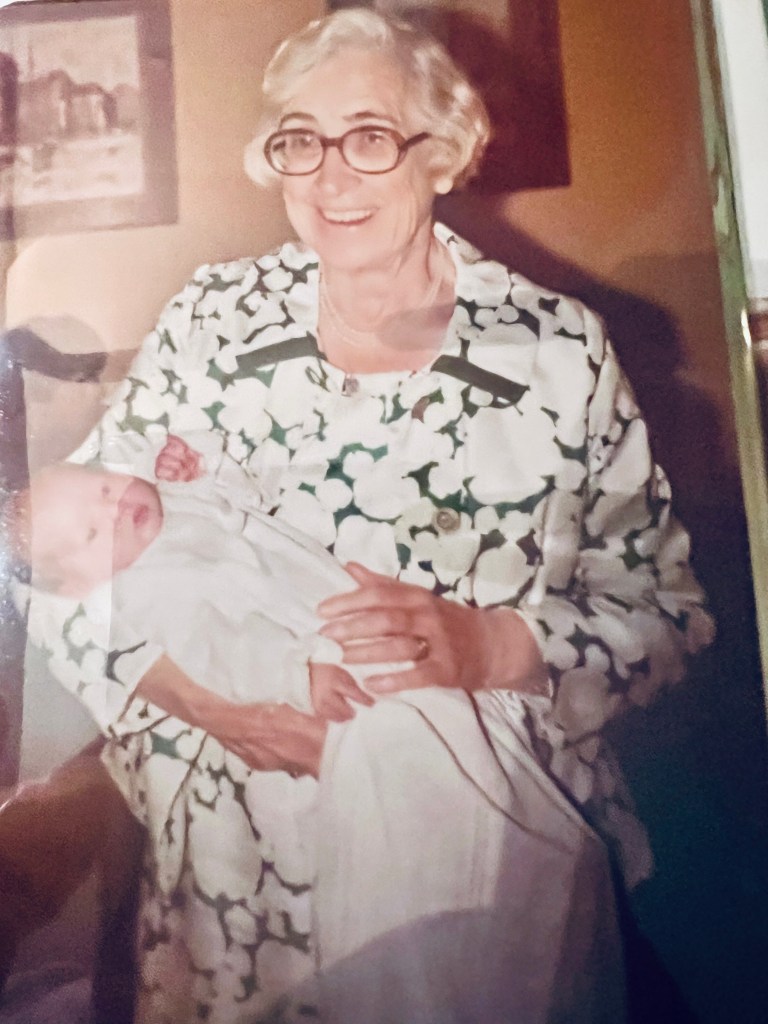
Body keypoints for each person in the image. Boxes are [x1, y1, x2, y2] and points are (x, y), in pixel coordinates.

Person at [25, 7, 714, 1023]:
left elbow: (663, 612)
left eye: (371, 136)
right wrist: (209, 704)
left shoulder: (553, 352)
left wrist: (488, 645)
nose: (330, 176)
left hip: (474, 876)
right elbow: (50, 574)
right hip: (245, 896)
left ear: (443, 149)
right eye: (301, 140)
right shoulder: (213, 324)